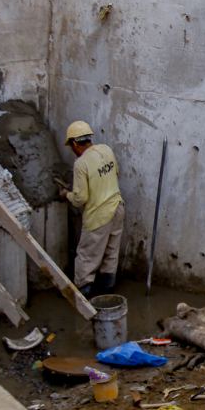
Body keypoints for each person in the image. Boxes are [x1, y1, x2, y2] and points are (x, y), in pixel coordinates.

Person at [57, 121, 124, 298]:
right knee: (111, 251)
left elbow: (80, 199)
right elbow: (116, 172)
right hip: (117, 207)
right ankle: (107, 290)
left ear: (75, 143)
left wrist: (66, 194)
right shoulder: (106, 150)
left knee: (87, 256)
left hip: (98, 216)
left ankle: (84, 293)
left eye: (71, 146)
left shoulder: (81, 163)